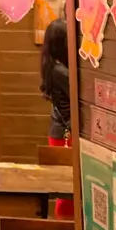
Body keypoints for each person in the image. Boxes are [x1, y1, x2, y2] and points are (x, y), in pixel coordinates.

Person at [40, 18, 73, 219]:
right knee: (68, 188)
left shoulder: (52, 65)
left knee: (66, 188)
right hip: (65, 134)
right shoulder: (61, 71)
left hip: (59, 131)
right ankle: (64, 228)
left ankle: (65, 227)